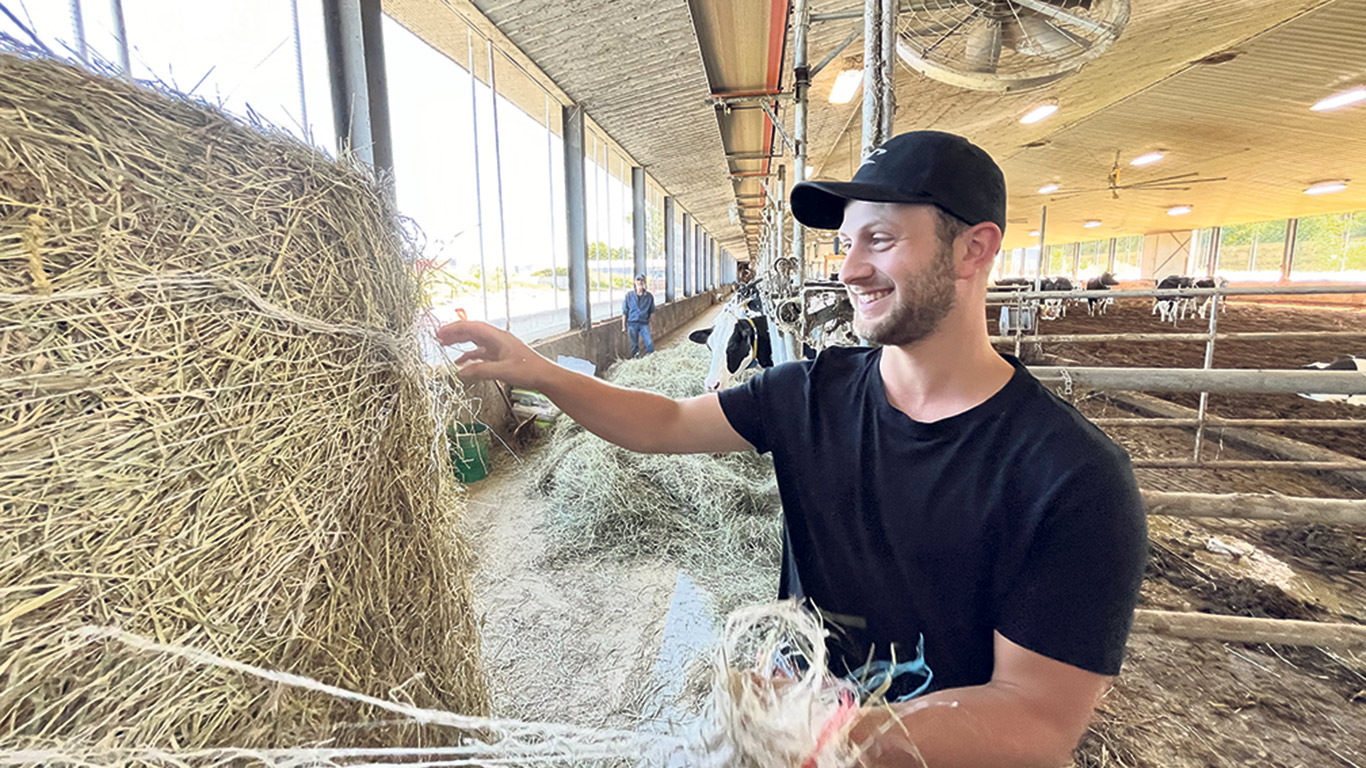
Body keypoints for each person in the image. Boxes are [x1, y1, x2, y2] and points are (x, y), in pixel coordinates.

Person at [437, 130, 1147, 767]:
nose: (850, 270)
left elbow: (1038, 716)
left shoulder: (1071, 476)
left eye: (882, 239)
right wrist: (541, 372)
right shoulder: (810, 394)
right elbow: (664, 424)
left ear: (975, 248)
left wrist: (836, 731)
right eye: (846, 242)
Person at [621, 274, 655, 358]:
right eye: (638, 281)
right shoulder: (628, 296)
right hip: (632, 323)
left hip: (644, 323)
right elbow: (624, 312)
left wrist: (652, 326)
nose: (640, 282)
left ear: (644, 283)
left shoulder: (649, 297)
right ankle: (636, 360)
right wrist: (623, 326)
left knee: (649, 342)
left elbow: (652, 312)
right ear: (635, 283)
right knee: (634, 345)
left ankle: (650, 358)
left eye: (642, 281)